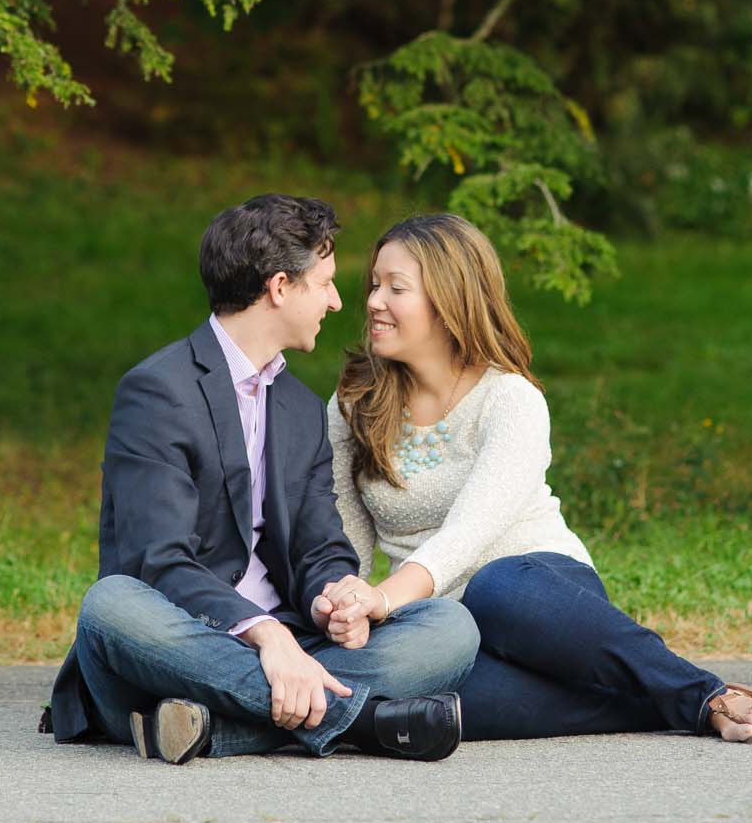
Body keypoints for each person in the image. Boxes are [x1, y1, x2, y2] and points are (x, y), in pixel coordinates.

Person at [319, 212, 752, 745]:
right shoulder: (355, 405)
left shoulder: (510, 399)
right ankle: (661, 700)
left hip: (539, 600)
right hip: (440, 625)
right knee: (404, 699)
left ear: (450, 304)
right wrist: (348, 610)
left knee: (496, 587)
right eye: (375, 285)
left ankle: (702, 693)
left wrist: (383, 598)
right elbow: (345, 539)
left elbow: (473, 532)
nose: (374, 300)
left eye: (395, 288)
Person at [45, 194, 478, 764]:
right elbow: (159, 562)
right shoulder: (157, 391)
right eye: (323, 283)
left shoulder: (300, 408)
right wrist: (266, 637)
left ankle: (213, 729)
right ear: (279, 287)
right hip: (183, 642)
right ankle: (361, 720)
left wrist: (334, 598)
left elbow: (319, 546)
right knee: (111, 605)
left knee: (450, 625)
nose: (337, 300)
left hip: (293, 642)